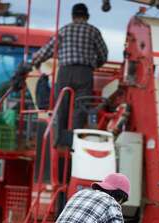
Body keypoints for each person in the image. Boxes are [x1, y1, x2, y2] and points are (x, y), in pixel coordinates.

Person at [31, 3, 108, 148]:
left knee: (62, 104)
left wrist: (35, 61)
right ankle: (75, 140)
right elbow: (103, 55)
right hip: (85, 73)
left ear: (72, 16)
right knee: (81, 106)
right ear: (87, 16)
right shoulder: (94, 31)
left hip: (65, 72)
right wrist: (94, 65)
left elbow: (47, 50)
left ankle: (60, 139)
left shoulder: (64, 30)